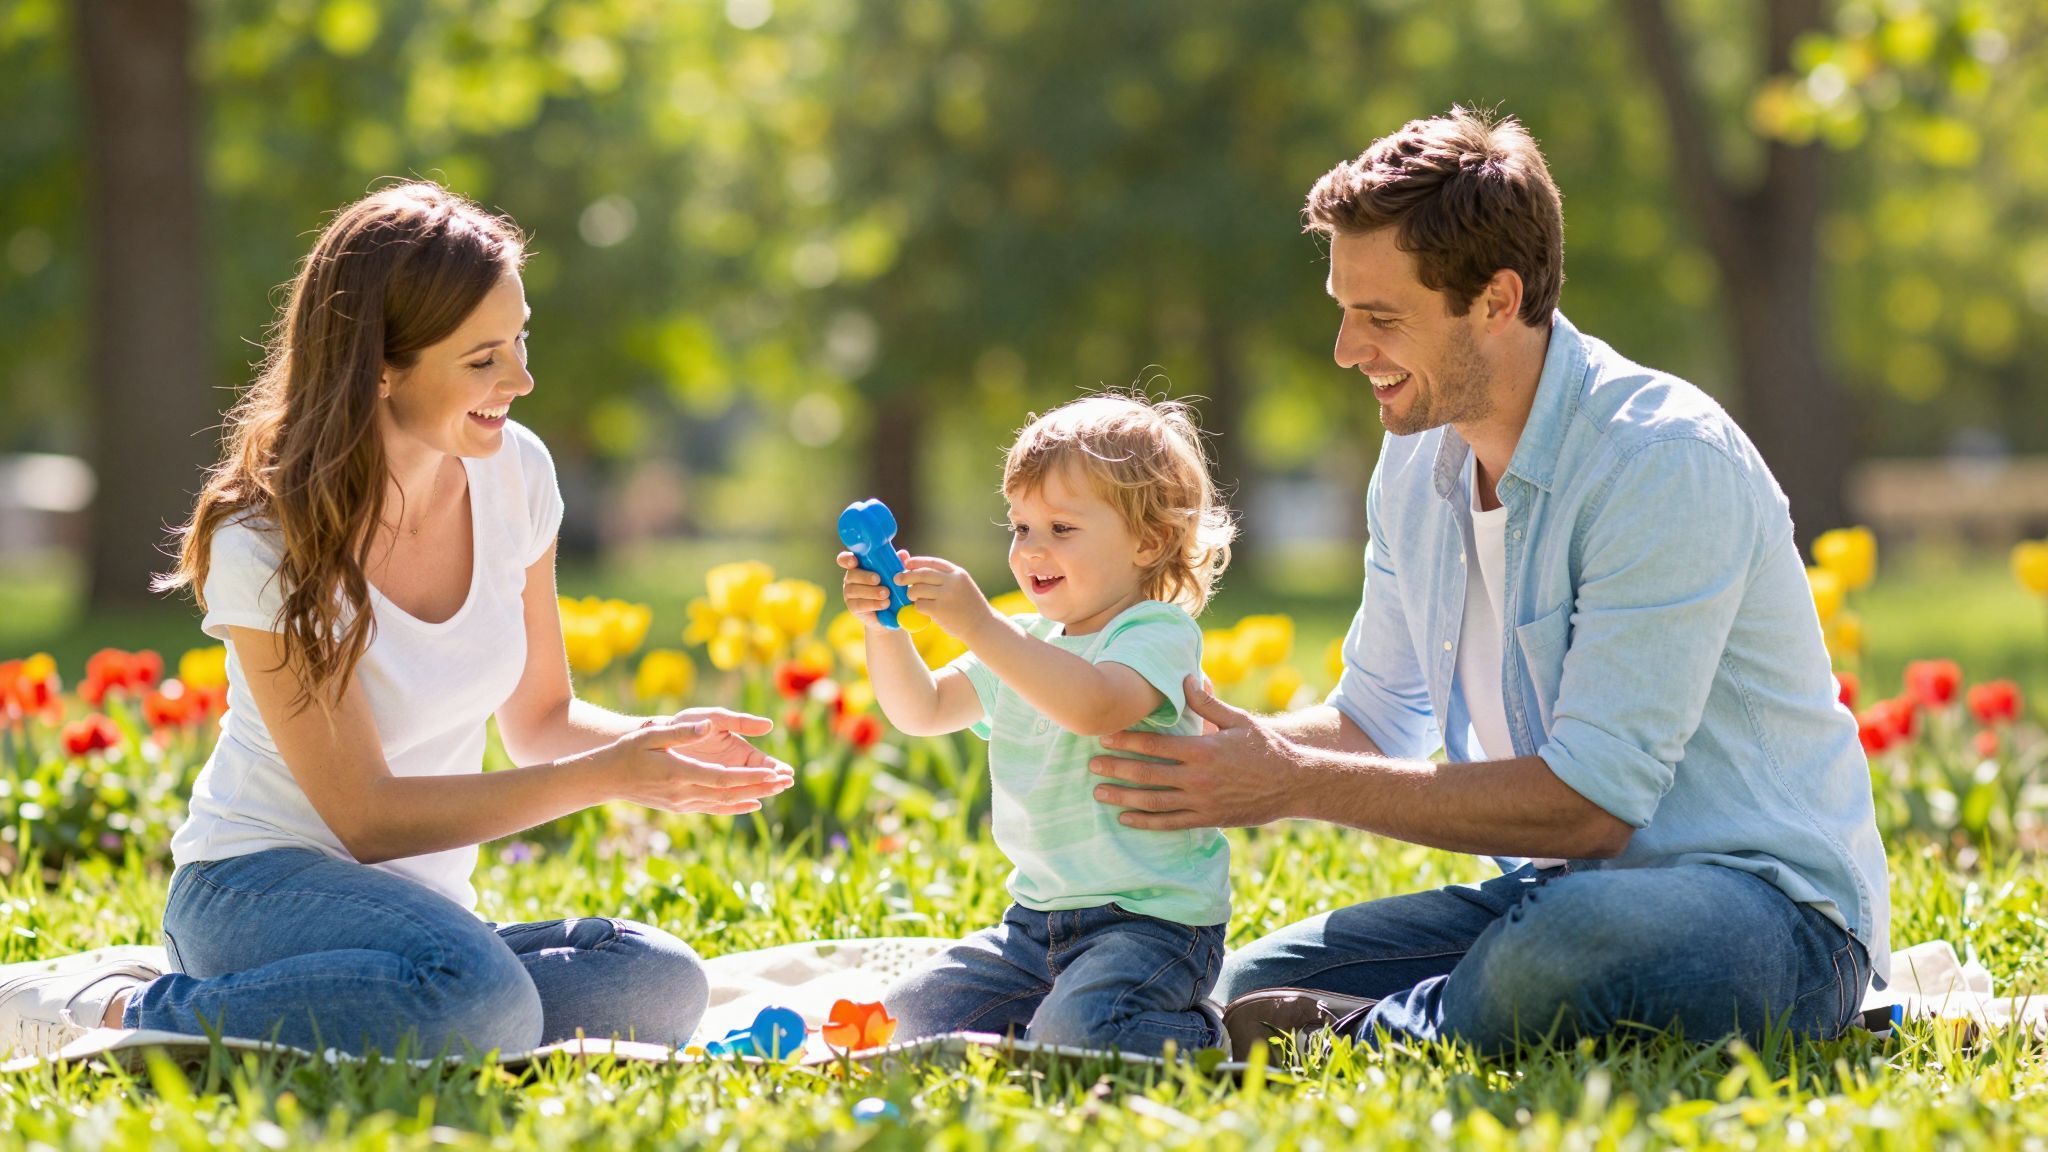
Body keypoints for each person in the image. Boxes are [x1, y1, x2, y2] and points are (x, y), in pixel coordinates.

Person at [1084, 108, 1891, 1054]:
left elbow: (1588, 809)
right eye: (1343, 310)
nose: (1347, 350)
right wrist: (1181, 745)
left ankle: (1362, 1039)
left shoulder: (1662, 461)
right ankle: (1390, 1020)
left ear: (1498, 300)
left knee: (1557, 950)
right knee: (1252, 978)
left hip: (1770, 915)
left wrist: (1292, 783)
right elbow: (1376, 719)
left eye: (1381, 319)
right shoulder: (1418, 461)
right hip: (1559, 892)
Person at [0, 183, 794, 1061]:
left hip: (421, 919)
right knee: (481, 1002)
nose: (522, 381)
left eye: (520, 340)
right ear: (380, 364)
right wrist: (607, 778)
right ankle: (111, 1009)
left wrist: (656, 744)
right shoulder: (264, 535)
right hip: (255, 894)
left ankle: (429, 999)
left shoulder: (516, 474)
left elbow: (539, 723)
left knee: (656, 978)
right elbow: (363, 817)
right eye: (484, 359)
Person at [840, 394, 1237, 1056]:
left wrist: (979, 627)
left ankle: (1206, 1033)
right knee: (902, 1022)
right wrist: (882, 625)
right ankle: (1057, 1016)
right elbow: (923, 710)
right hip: (1034, 926)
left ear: (1150, 540)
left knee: (1079, 1038)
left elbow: (1092, 704)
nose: (1032, 550)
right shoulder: (1024, 641)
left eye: (1062, 528)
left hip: (1153, 927)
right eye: (1021, 527)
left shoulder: (1157, 632)